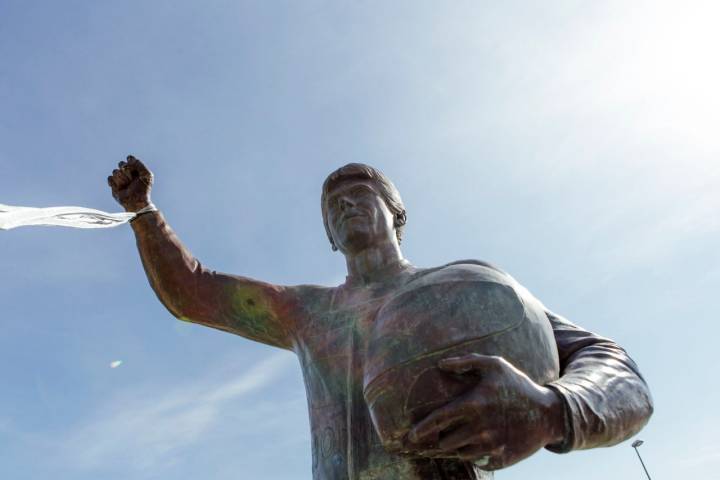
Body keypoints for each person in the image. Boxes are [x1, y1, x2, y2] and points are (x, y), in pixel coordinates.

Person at [107, 157, 653, 480]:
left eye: (360, 194)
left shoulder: (466, 294)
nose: (345, 205)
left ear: (396, 214)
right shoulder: (307, 312)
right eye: (333, 205)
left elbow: (617, 369)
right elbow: (192, 292)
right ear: (327, 235)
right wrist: (144, 213)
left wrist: (553, 409)